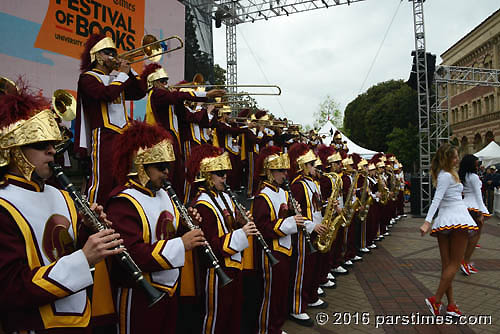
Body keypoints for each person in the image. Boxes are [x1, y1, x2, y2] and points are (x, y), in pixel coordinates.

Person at [0, 86, 123, 333]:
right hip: (35, 325)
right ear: (14, 150)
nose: (52, 151)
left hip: (79, 319)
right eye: (41, 144)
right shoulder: (4, 205)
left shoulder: (62, 195)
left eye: (53, 144)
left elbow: (64, 250)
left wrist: (90, 235)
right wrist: (84, 258)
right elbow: (11, 289)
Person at [105, 121, 206, 334]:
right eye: (160, 166)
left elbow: (170, 233)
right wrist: (182, 243)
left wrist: (189, 227)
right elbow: (132, 254)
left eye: (167, 165)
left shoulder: (165, 194)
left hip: (169, 289)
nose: (167, 172)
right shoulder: (123, 201)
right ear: (140, 165)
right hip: (139, 292)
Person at [187, 144, 258, 334]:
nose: (225, 177)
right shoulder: (202, 204)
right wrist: (243, 233)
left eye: (225, 172)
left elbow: (229, 225)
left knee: (232, 315)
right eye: (219, 172)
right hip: (215, 272)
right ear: (207, 174)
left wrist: (240, 221)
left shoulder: (223, 196)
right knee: (216, 318)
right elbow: (210, 246)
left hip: (233, 263)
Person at [420, 143, 479, 317]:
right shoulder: (446, 175)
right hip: (457, 218)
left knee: (448, 266)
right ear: (447, 159)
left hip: (447, 219)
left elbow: (439, 199)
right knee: (455, 263)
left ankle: (451, 305)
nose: (457, 159)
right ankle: (436, 300)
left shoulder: (445, 174)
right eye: (454, 156)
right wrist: (427, 222)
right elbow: (436, 200)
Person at [252, 146, 303, 334]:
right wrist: (291, 221)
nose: (285, 174)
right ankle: (266, 329)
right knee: (271, 294)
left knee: (281, 292)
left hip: (285, 248)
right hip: (271, 251)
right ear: (269, 172)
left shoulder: (283, 192)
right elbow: (263, 227)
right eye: (280, 171)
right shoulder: (262, 196)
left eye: (285, 170)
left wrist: (292, 212)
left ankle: (276, 326)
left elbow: (282, 215)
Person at [287, 143, 328, 326]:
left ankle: (311, 296)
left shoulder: (313, 182)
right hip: (304, 233)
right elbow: (296, 213)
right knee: (302, 271)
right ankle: (297, 307)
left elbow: (316, 207)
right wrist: (312, 227)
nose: (314, 166)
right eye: (311, 163)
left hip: (316, 230)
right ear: (302, 165)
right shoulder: (297, 185)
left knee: (313, 268)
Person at [458, 154, 491, 276]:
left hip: (465, 205)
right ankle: (465, 261)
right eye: (477, 163)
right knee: (474, 236)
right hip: (474, 207)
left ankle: (464, 261)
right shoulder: (474, 177)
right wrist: (482, 212)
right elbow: (478, 195)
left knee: (467, 236)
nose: (479, 165)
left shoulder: (463, 175)